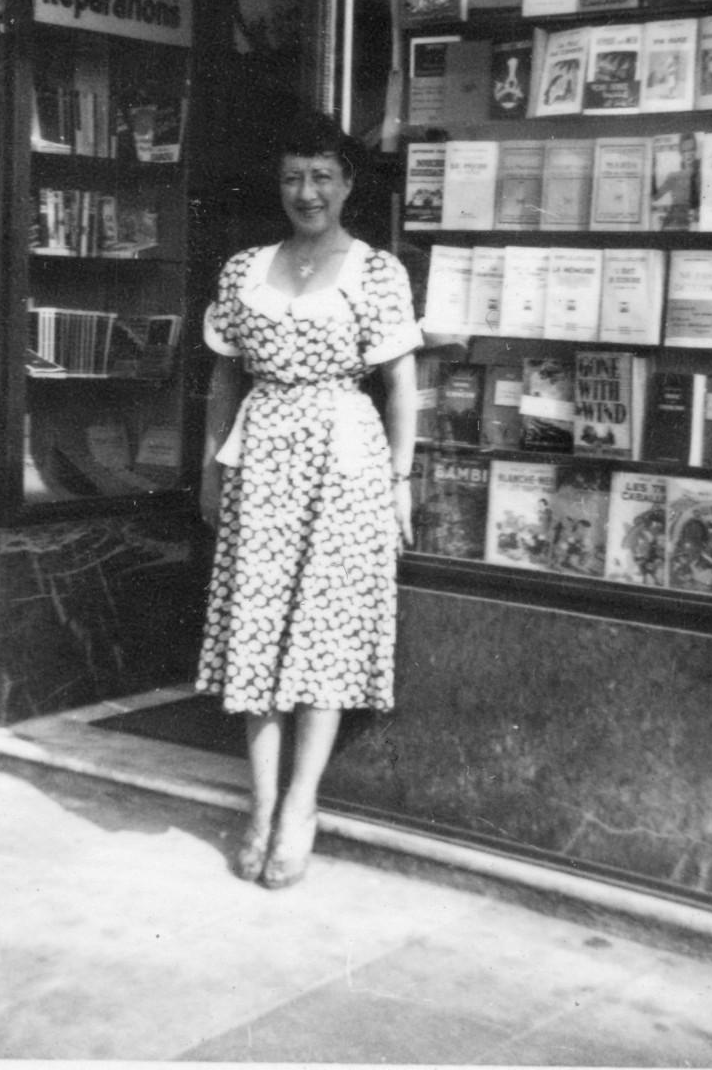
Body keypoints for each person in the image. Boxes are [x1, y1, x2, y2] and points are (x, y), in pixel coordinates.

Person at [197, 111, 420, 889]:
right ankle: (259, 805)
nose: (307, 192)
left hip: (344, 462)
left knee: (322, 634)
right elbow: (224, 376)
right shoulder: (243, 270)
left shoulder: (376, 271)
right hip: (260, 458)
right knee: (257, 628)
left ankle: (300, 806)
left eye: (323, 176)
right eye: (293, 176)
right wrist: (210, 468)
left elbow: (400, 386)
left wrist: (398, 482)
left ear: (349, 183)